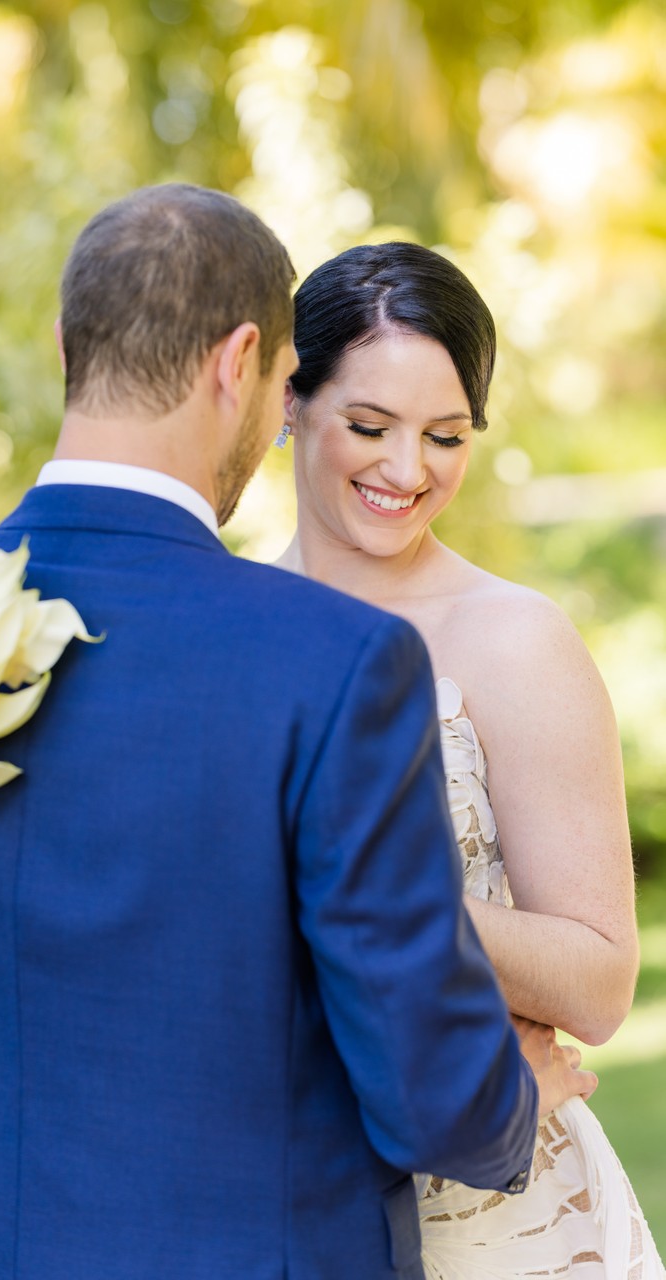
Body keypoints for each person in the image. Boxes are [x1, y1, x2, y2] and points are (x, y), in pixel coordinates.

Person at [0, 185, 592, 1280]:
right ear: (241, 364)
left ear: (64, 345)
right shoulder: (332, 661)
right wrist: (515, 1095)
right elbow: (428, 1096)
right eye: (287, 386)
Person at [275, 242, 662, 1278]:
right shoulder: (230, 623)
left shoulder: (514, 639)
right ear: (284, 397)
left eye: (444, 436)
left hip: (503, 1218)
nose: (406, 471)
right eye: (368, 426)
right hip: (293, 1198)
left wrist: (390, 902)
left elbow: (598, 981)